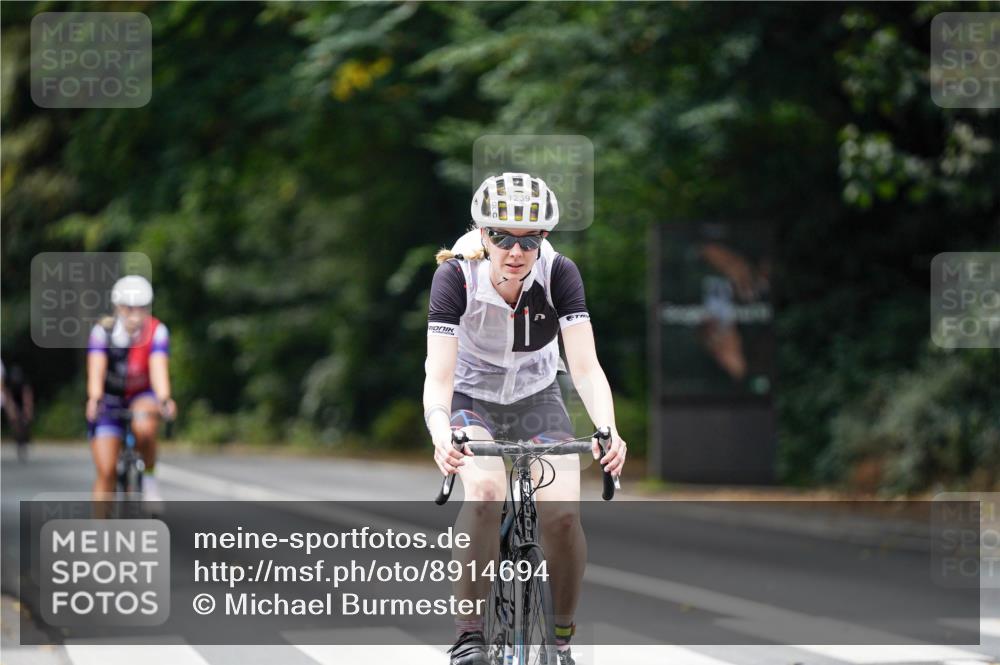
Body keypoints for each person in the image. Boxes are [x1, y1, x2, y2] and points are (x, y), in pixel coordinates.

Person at [424, 172, 627, 665]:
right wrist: (440, 433)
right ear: (482, 234)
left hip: (537, 398)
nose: (515, 251)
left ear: (544, 239)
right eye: (501, 237)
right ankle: (470, 634)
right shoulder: (456, 275)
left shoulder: (559, 274)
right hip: (472, 399)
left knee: (561, 516)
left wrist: (607, 428)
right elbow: (439, 374)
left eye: (529, 240)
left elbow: (584, 366)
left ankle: (560, 638)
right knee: (487, 492)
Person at [86, 275, 176, 502]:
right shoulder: (102, 331)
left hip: (140, 394)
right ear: (118, 306)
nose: (136, 315)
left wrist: (165, 399)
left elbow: (158, 367)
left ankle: (149, 478)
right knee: (106, 471)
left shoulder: (157, 330)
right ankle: (100, 531)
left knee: (145, 427)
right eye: (129, 308)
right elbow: (96, 369)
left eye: (142, 308)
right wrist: (94, 398)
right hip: (109, 398)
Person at [2, 362, 34, 462]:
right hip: (13, 402)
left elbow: (27, 397)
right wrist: (11, 412)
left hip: (22, 401)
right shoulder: (10, 384)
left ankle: (25, 439)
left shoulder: (24, 383)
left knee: (25, 422)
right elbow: (8, 398)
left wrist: (28, 411)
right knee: (15, 422)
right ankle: (17, 438)